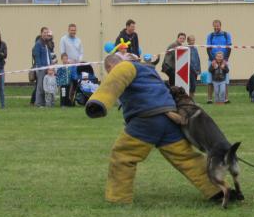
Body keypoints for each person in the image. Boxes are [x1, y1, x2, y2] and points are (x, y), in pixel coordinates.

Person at [84, 53, 220, 204]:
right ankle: (218, 190)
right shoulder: (147, 69)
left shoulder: (123, 67)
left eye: (109, 71)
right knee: (187, 158)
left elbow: (113, 83)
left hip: (147, 119)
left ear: (111, 67)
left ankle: (118, 198)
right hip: (170, 118)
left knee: (122, 155)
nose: (111, 74)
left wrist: (98, 102)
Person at [206, 20, 232, 103]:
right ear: (213, 26)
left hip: (224, 60)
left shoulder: (226, 35)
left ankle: (225, 99)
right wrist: (212, 59)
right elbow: (208, 48)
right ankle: (209, 99)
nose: (216, 27)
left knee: (225, 80)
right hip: (212, 60)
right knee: (210, 80)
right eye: (215, 26)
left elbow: (229, 47)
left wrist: (226, 60)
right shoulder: (210, 35)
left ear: (221, 26)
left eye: (218, 26)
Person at [32, 28, 54, 107]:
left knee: (46, 86)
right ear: (41, 33)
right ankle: (38, 103)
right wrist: (41, 67)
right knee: (40, 87)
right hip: (41, 68)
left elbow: (49, 55)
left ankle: (44, 102)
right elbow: (36, 56)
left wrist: (51, 65)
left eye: (47, 33)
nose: (45, 34)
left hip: (48, 68)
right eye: (44, 32)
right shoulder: (38, 43)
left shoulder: (46, 43)